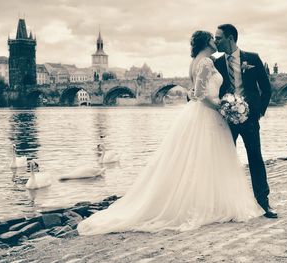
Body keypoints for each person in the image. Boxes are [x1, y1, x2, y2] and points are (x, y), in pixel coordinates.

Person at [77, 31, 263, 235]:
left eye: (218, 37)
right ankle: (208, 205)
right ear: (206, 42)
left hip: (207, 114)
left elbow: (193, 92)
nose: (216, 41)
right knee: (209, 159)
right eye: (213, 38)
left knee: (204, 160)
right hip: (210, 114)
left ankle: (211, 201)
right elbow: (200, 94)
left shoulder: (199, 61)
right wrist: (223, 106)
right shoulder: (207, 63)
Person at [214, 24, 277, 218]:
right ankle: (227, 205)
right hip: (226, 121)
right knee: (226, 161)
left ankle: (263, 203)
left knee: (255, 159)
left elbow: (266, 89)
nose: (215, 41)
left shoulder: (253, 58)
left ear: (231, 38)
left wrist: (258, 112)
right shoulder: (215, 64)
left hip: (250, 119)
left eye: (219, 38)